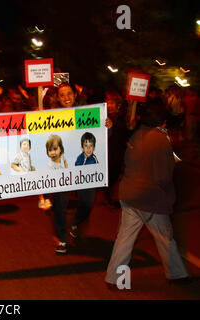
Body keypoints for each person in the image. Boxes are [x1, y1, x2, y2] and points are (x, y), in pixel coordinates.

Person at [105, 98, 190, 287]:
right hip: (150, 198)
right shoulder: (162, 139)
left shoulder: (136, 134)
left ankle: (116, 280)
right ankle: (176, 274)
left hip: (129, 193)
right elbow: (164, 175)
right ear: (163, 121)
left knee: (124, 239)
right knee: (165, 238)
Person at [48, 83, 112, 255]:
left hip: (85, 168)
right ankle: (62, 239)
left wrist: (108, 126)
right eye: (62, 95)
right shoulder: (51, 117)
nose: (66, 97)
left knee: (87, 202)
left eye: (69, 93)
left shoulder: (88, 114)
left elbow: (103, 136)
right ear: (58, 98)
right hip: (62, 169)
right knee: (60, 205)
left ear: (75, 95)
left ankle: (76, 223)